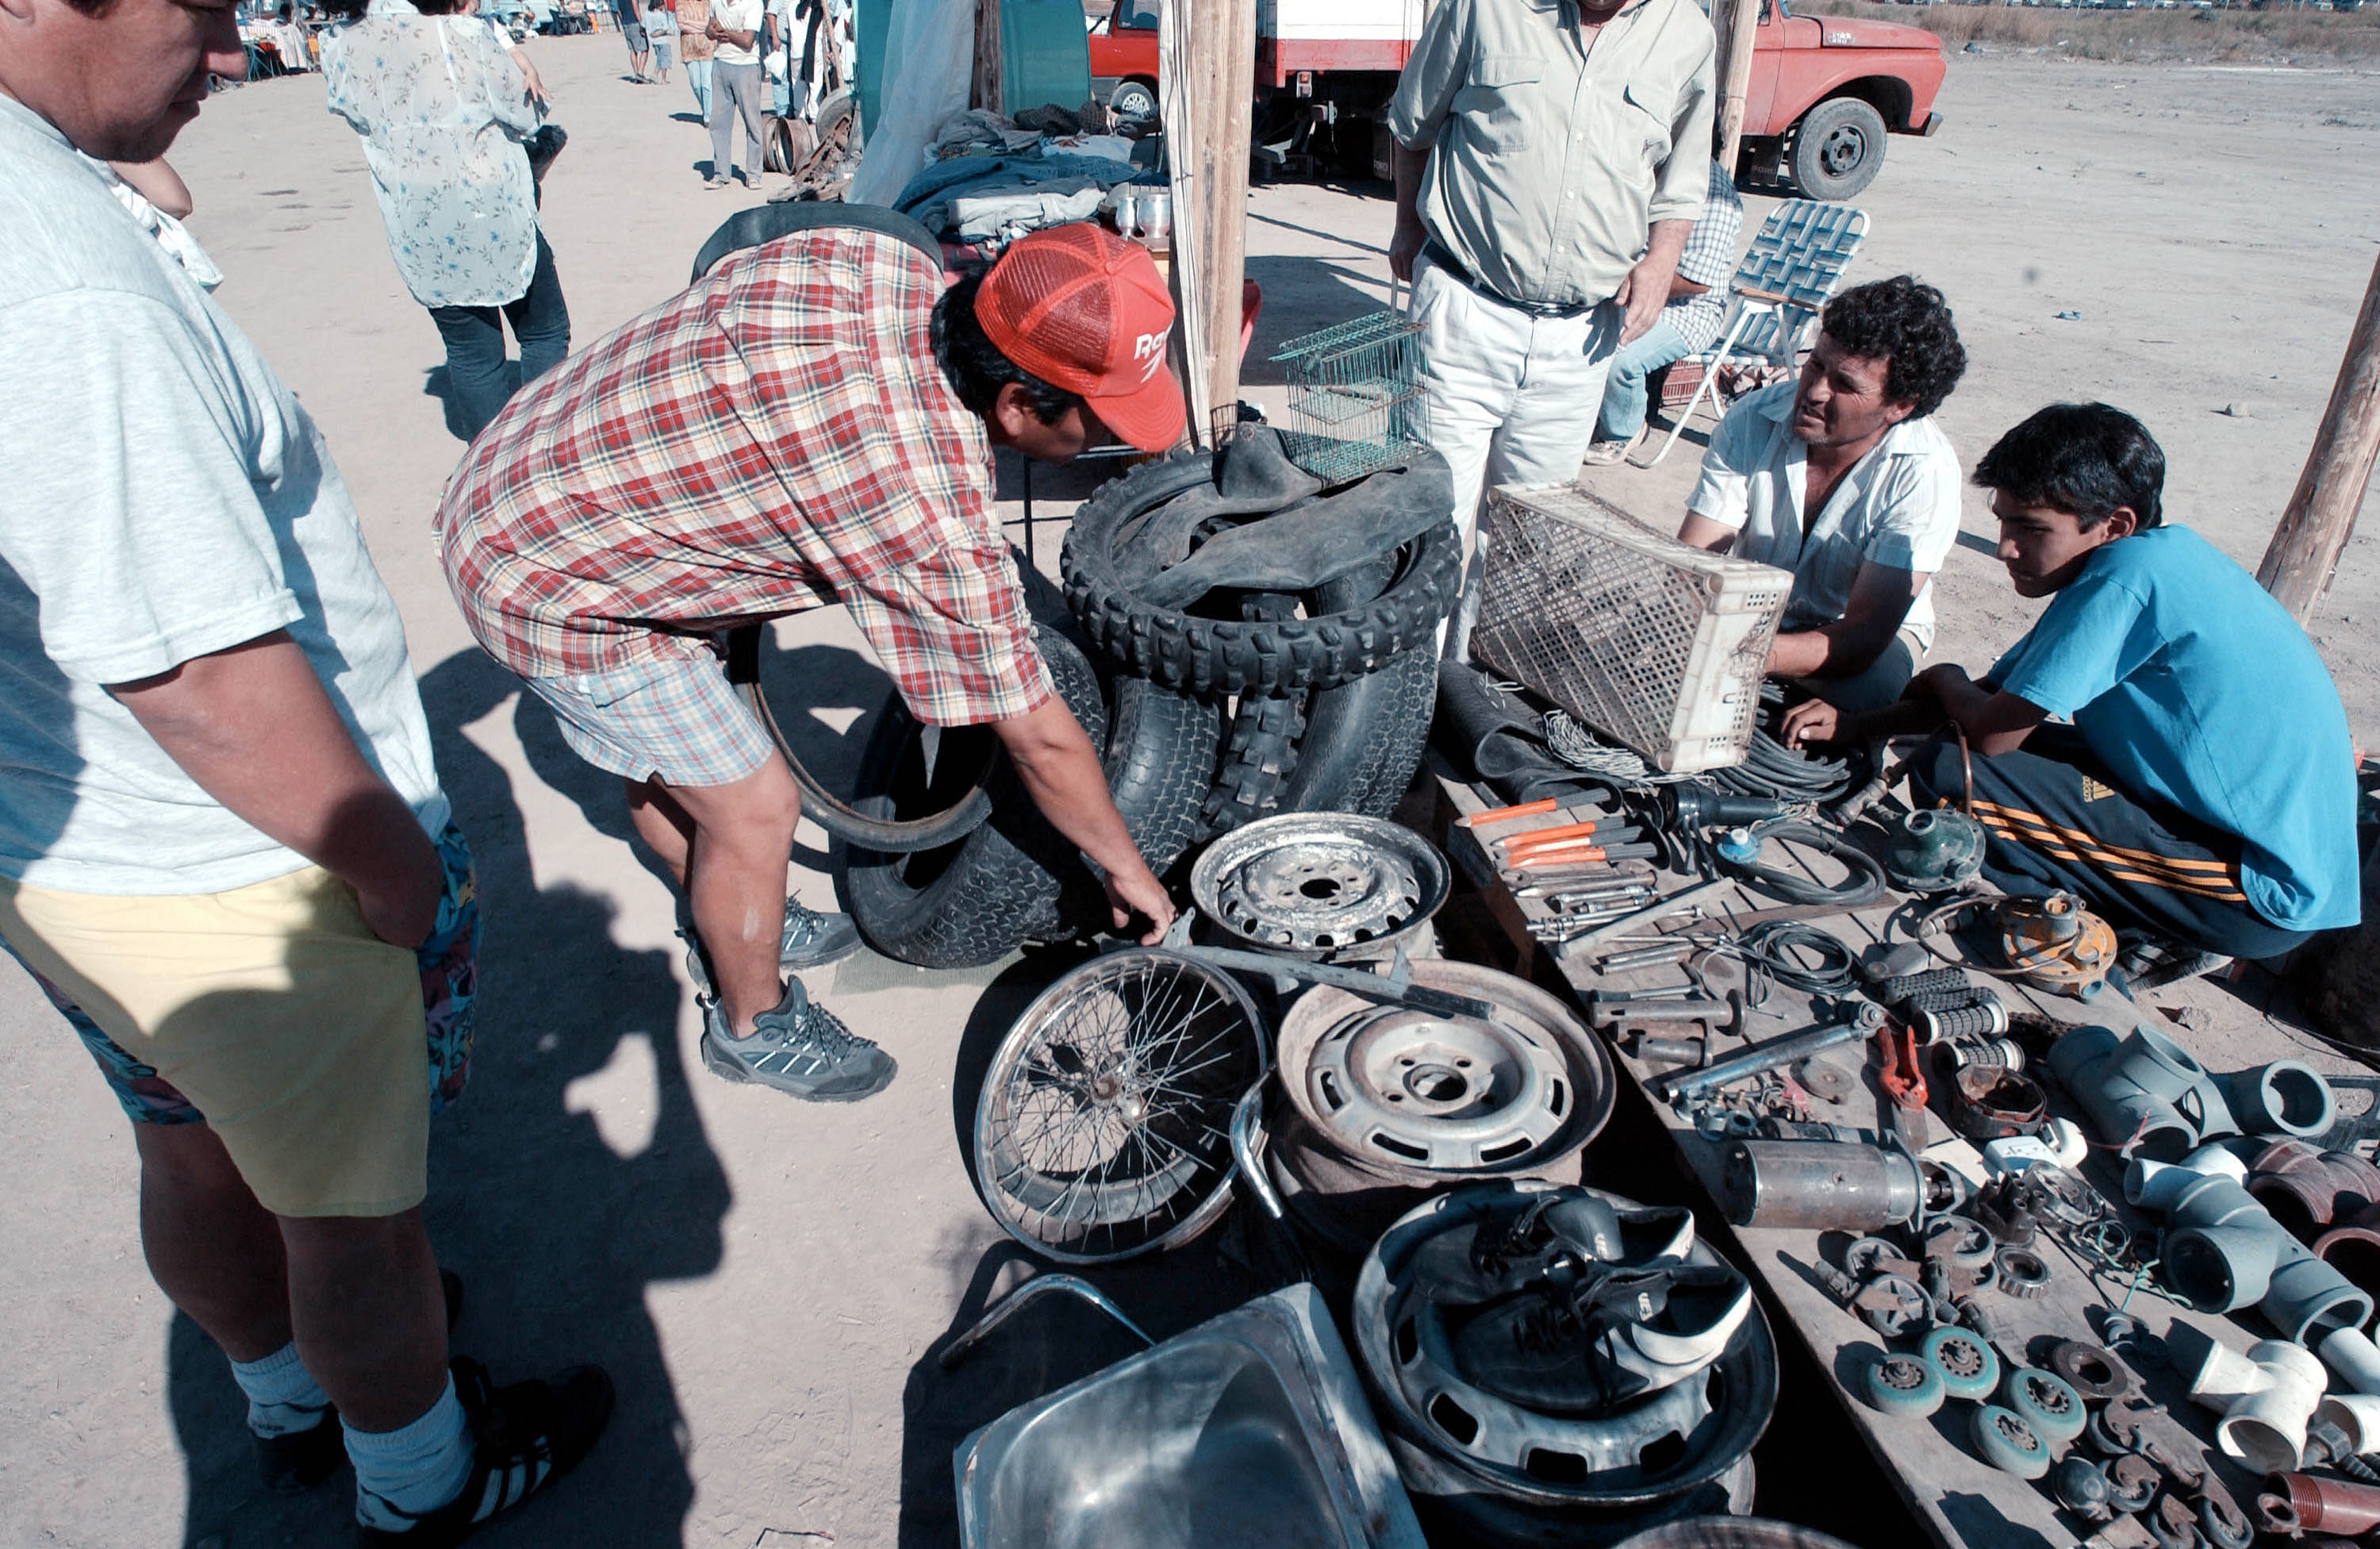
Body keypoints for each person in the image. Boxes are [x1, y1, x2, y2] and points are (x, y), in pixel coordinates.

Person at [0, 0, 610, 1541]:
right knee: (356, 1225)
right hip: (231, 865)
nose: (227, 52)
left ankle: (279, 1398)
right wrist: (390, 870)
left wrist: (111, 154)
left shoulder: (41, 189)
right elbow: (196, 670)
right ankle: (422, 1479)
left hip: (73, 854)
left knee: (190, 1148)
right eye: (197, 14)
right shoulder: (61, 283)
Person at [436, 221, 1183, 1103]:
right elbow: (1037, 735)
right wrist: (1129, 872)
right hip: (550, 577)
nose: (1118, 441)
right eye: (1102, 423)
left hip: (542, 461)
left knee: (684, 763)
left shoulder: (884, 261)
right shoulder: (918, 502)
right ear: (1018, 405)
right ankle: (753, 1020)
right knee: (755, 803)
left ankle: (737, 912)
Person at [1782, 404, 2362, 968]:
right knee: (1948, 745)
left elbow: (1991, 737)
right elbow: (2000, 698)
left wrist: (1944, 679)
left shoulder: (2128, 579)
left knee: (1954, 774)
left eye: (2031, 529)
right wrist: (1860, 725)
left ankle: (2093, 928)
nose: (2006, 547)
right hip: (2221, 827)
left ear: (2115, 525)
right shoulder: (2153, 561)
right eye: (2004, 522)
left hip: (2260, 889)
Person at [1384, 0, 1716, 639]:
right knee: (1427, 522)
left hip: (1581, 337)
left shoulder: (1686, 34)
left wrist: (1662, 256)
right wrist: (1405, 224)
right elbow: (1412, 127)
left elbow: (1681, 182)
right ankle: (1406, 705)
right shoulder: (1484, 7)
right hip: (1464, 307)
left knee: (1525, 542)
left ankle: (1473, 704)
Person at [1678, 275, 1967, 713]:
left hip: (1865, 638)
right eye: (1815, 365)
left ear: (1901, 406)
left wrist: (1740, 655)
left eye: (1845, 386)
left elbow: (1864, 636)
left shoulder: (1925, 472)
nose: (1814, 392)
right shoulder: (1753, 418)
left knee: (1844, 713)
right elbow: (1694, 559)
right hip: (1751, 613)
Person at [325, 0, 572, 442]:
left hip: (417, 223)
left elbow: (353, 112)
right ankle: (542, 441)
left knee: (471, 354)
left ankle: (489, 464)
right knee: (544, 331)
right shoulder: (462, 35)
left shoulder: (342, 39)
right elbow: (528, 112)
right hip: (492, 212)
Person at [1582, 153, 1742, 465]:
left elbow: (1699, 282)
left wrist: (1629, 284)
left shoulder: (1715, 193)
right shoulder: (1646, 169)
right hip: (1631, 291)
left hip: (1690, 311)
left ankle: (1624, 432)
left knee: (1619, 354)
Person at [704, 0, 763, 187]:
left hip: (746, 65)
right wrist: (715, 32)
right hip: (721, 62)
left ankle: (753, 173)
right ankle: (721, 173)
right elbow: (710, 28)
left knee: (752, 123)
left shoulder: (754, 3)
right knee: (718, 123)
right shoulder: (715, 1)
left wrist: (723, 32)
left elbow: (747, 41)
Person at [612, 0, 649, 81]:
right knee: (645, 48)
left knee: (633, 50)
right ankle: (640, 73)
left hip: (626, 23)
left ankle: (637, 74)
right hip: (634, 22)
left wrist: (623, 21)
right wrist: (641, 23)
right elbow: (636, 9)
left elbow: (618, 10)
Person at [644, 0, 674, 84]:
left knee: (660, 59)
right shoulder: (662, 16)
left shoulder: (647, 14)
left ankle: (655, 75)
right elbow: (665, 29)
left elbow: (643, 25)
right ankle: (663, 79)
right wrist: (657, 34)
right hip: (662, 40)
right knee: (665, 60)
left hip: (654, 42)